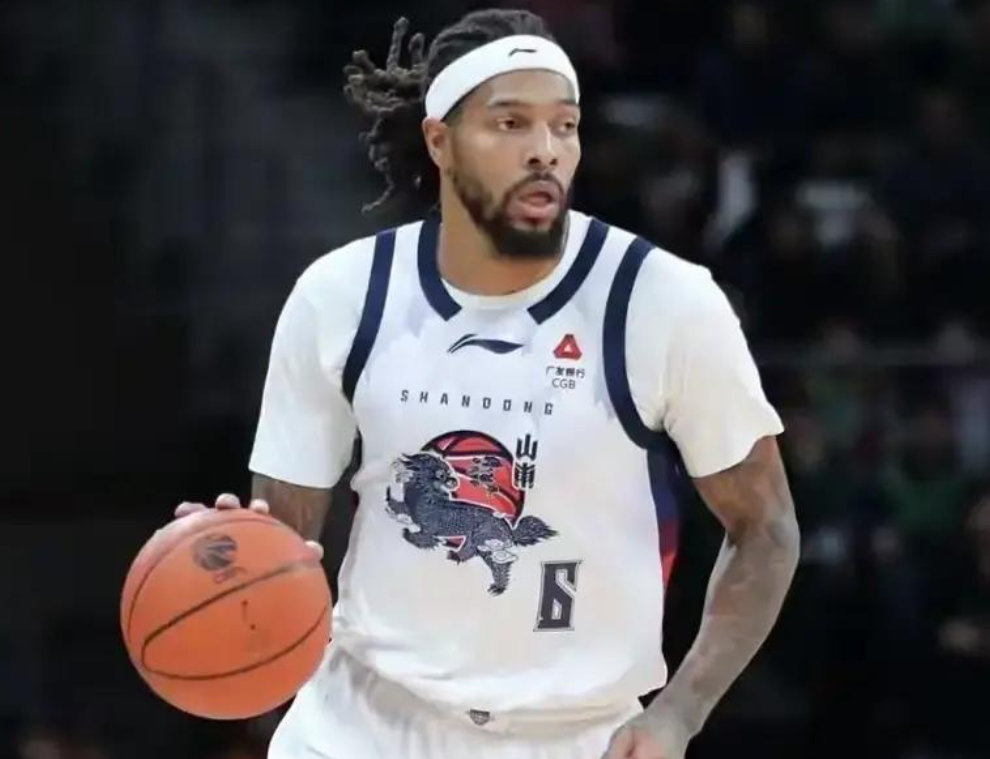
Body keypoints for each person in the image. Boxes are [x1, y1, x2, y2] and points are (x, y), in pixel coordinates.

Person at [174, 8, 800, 759]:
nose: (545, 150)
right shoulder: (340, 295)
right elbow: (284, 539)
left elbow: (766, 529)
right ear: (440, 141)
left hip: (575, 736)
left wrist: (679, 713)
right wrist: (231, 555)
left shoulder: (664, 302)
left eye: (564, 126)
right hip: (361, 726)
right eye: (510, 124)